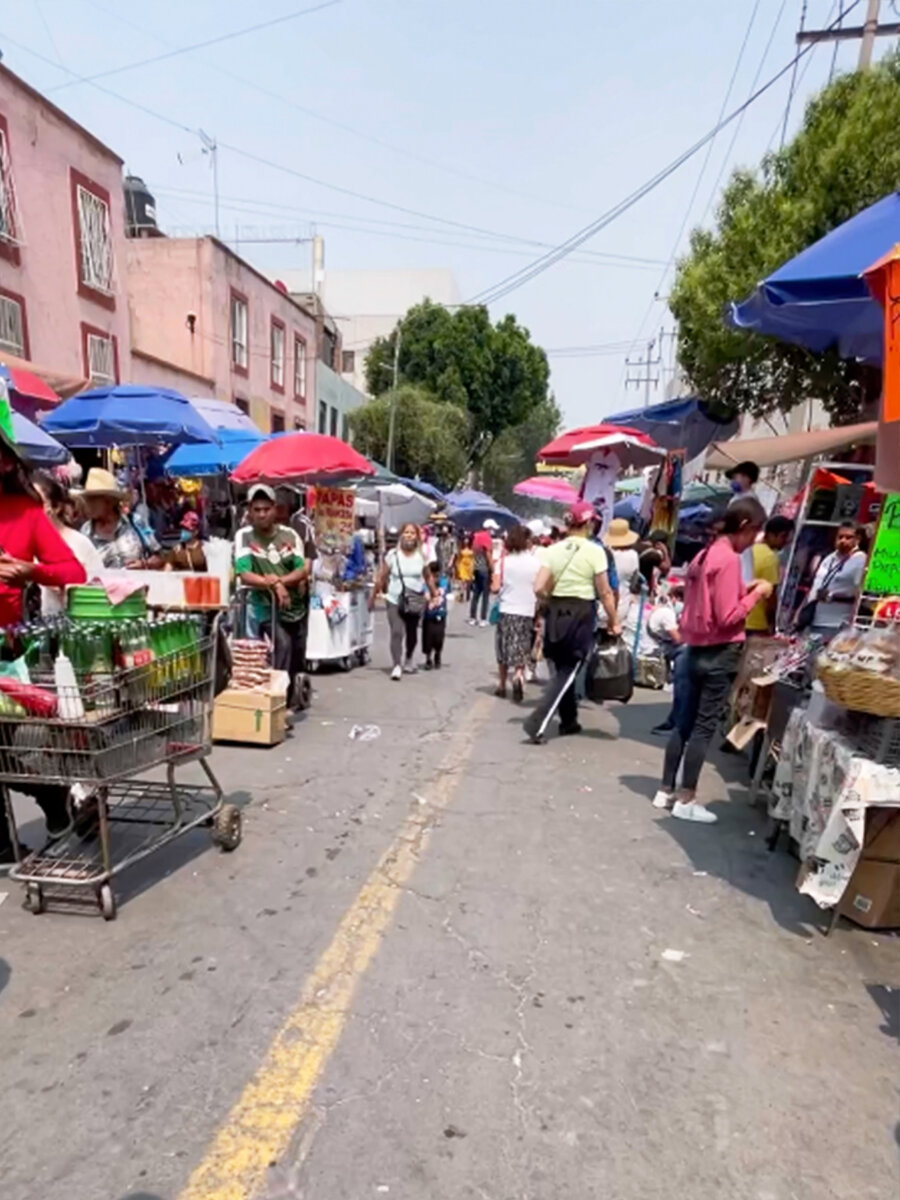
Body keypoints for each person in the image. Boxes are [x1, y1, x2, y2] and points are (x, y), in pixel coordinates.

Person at [653, 497, 772, 824]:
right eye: (756, 532)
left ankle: (665, 789)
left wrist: (744, 589)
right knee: (704, 728)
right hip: (719, 651)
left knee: (684, 724)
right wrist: (757, 594)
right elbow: (728, 614)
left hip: (693, 649)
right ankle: (686, 798)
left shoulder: (703, 556)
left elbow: (710, 598)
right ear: (745, 526)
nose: (755, 540)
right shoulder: (729, 559)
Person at [0, 435, 87, 862]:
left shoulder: (27, 514)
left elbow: (75, 570)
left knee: (2, 746)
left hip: (6, 653)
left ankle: (52, 799)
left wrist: (31, 570)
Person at [524, 501, 619, 743]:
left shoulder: (553, 550)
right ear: (588, 523)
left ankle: (569, 720)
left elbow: (537, 587)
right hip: (580, 612)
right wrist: (614, 620)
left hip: (555, 610)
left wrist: (551, 600)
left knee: (560, 667)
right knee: (569, 670)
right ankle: (538, 722)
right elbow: (605, 591)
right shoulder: (595, 551)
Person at [234, 484, 309, 705]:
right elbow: (244, 574)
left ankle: (290, 692)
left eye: (266, 509)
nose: (261, 514)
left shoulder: (290, 535)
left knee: (296, 655)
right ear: (249, 511)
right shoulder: (244, 536)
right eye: (256, 510)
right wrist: (273, 585)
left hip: (294, 605)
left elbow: (301, 569)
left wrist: (280, 582)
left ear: (275, 509)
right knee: (282, 644)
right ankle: (276, 701)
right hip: (263, 605)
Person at [34, 472, 103, 615]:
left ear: (56, 507)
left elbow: (99, 589)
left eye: (38, 501)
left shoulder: (79, 543)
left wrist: (66, 586)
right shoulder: (24, 541)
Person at [374, 521, 435, 680]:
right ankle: (396, 665)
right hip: (394, 599)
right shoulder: (393, 555)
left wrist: (435, 593)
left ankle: (408, 658)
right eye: (406, 532)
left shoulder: (421, 556)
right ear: (401, 535)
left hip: (414, 599)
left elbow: (428, 576)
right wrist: (373, 595)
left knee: (412, 632)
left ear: (417, 537)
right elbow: (382, 576)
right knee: (396, 631)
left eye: (412, 533)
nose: (409, 536)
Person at [80, 468, 162, 569]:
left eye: (93, 500)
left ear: (108, 502)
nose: (88, 505)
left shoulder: (135, 523)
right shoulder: (86, 531)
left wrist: (144, 564)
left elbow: (159, 557)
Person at [495, 524, 541, 702]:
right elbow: (539, 587)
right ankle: (519, 675)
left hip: (507, 608)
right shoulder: (536, 563)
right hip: (528, 609)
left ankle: (501, 683)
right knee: (522, 645)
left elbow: (495, 586)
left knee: (503, 647)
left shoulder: (504, 561)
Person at [802, 520, 867, 641]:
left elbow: (861, 595)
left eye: (848, 537)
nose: (843, 541)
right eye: (840, 537)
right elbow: (816, 586)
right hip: (815, 619)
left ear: (857, 540)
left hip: (837, 622)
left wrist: (833, 596)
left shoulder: (860, 560)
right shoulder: (830, 558)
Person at [746, 515, 795, 635]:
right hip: (756, 623)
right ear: (775, 535)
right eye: (784, 538)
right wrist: (771, 624)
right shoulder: (770, 558)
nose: (785, 544)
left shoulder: (749, 550)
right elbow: (771, 597)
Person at [606, 517, 641, 620]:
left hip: (604, 605)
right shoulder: (633, 555)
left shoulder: (605, 553)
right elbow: (634, 582)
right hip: (622, 607)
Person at [422, 560, 448, 670]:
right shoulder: (425, 583)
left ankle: (438, 655)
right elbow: (425, 595)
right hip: (429, 614)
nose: (435, 577)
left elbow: (444, 592)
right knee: (428, 637)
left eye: (437, 574)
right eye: (433, 574)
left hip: (440, 614)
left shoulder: (444, 582)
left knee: (439, 637)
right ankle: (428, 658)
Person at [468, 520, 494, 626]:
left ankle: (472, 617)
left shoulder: (476, 537)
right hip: (484, 569)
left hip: (476, 567)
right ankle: (483, 618)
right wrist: (492, 568)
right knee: (485, 595)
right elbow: (488, 554)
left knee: (476, 594)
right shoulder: (486, 538)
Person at [455, 533, 474, 601]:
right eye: (465, 539)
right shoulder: (461, 548)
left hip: (469, 565)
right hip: (462, 565)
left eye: (467, 539)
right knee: (462, 581)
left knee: (469, 581)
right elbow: (459, 558)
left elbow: (473, 557)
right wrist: (457, 566)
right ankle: (461, 594)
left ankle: (468, 595)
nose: (466, 540)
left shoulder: (472, 547)